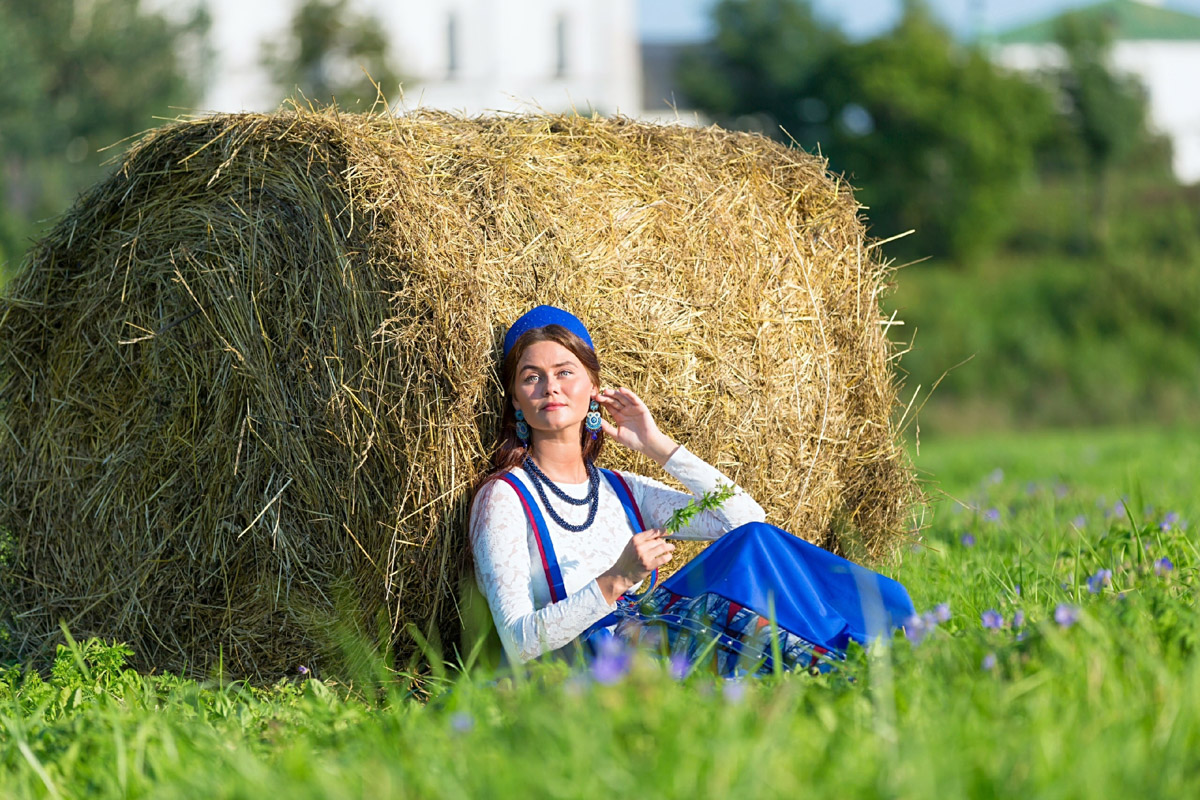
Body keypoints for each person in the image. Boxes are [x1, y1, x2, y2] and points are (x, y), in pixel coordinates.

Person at [470, 305, 913, 671]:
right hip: (588, 672)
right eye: (531, 377)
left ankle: (880, 635)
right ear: (514, 397)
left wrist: (656, 444)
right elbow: (517, 641)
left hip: (656, 647)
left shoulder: (623, 491)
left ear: (593, 388)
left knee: (755, 543)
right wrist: (617, 579)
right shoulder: (504, 499)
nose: (551, 388)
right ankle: (854, 659)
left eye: (565, 372)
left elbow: (743, 520)